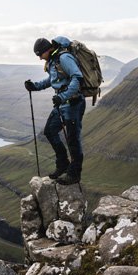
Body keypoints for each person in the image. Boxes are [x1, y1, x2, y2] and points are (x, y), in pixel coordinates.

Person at [24, 36, 85, 185]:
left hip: (73, 103)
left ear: (47, 50)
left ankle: (74, 173)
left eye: (40, 54)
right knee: (49, 131)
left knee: (73, 140)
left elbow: (78, 77)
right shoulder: (52, 61)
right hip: (62, 104)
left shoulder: (64, 58)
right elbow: (53, 80)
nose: (39, 58)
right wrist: (35, 86)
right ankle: (63, 163)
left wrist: (63, 96)